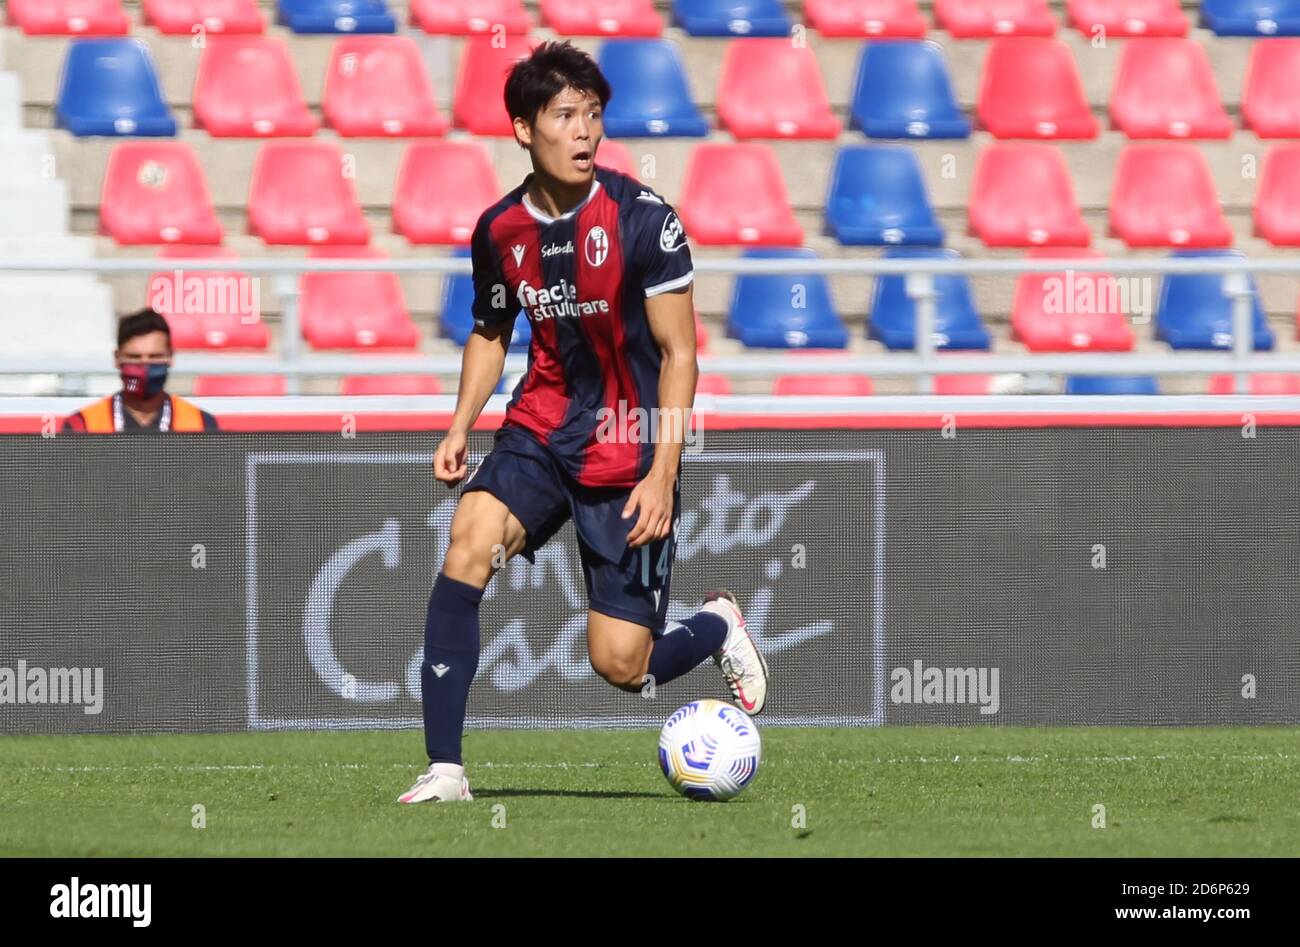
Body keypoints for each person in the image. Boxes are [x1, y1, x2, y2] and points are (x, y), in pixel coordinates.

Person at [399, 41, 769, 804]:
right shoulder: (499, 230)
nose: (584, 132)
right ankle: (446, 770)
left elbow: (680, 354)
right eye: (565, 115)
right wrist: (461, 423)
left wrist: (663, 471)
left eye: (593, 115)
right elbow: (491, 329)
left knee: (621, 663)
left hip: (627, 450)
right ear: (522, 129)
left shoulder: (644, 222)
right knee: (468, 541)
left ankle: (716, 625)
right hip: (540, 429)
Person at [62, 308, 219, 434]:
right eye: (134, 357)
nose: (145, 366)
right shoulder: (83, 425)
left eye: (155, 357)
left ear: (170, 357)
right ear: (117, 358)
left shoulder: (201, 424)